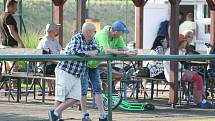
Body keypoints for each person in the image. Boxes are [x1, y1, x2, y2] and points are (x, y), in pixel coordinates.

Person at [81, 20, 136, 121]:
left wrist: (130, 52)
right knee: (83, 90)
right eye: (122, 32)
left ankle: (102, 114)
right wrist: (123, 52)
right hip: (84, 64)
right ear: (115, 31)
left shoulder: (118, 37)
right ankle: (84, 114)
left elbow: (124, 49)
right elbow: (107, 50)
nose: (123, 34)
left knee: (98, 89)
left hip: (96, 65)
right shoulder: (103, 34)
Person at [48, 22, 99, 121]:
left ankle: (55, 113)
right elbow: (74, 51)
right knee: (61, 96)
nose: (95, 33)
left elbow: (97, 49)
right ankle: (58, 117)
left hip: (77, 73)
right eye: (94, 31)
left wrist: (94, 51)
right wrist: (88, 53)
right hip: (66, 70)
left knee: (76, 97)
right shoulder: (77, 38)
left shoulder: (92, 39)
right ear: (88, 32)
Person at [163, 34, 213, 108]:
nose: (186, 43)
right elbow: (180, 67)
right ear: (182, 42)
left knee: (197, 76)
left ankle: (199, 98)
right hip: (176, 74)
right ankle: (199, 101)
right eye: (185, 41)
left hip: (172, 73)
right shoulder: (177, 51)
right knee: (198, 78)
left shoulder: (172, 50)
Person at [0, 0, 25, 90]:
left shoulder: (1, 16)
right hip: (9, 46)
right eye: (15, 7)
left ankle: (5, 85)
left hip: (2, 45)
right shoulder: (8, 17)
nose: (16, 9)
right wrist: (20, 42)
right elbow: (12, 31)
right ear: (10, 6)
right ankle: (15, 87)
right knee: (14, 66)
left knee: (5, 67)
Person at [37, 23, 62, 96]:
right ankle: (59, 92)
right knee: (63, 69)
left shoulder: (53, 40)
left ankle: (56, 90)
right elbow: (52, 57)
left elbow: (61, 51)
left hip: (51, 64)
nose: (58, 30)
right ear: (52, 31)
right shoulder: (46, 41)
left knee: (63, 68)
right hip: (44, 67)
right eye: (56, 29)